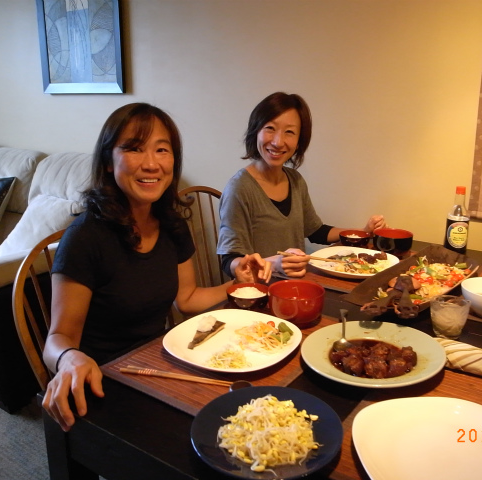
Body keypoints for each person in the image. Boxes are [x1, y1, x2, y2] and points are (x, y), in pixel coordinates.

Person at [42, 103, 271, 432]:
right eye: (134, 148)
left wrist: (239, 283)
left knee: (248, 413)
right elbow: (58, 338)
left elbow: (187, 299)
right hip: (101, 381)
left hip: (155, 362)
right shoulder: (85, 237)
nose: (151, 164)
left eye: (162, 150)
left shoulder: (171, 223)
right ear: (108, 161)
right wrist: (69, 358)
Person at [217, 92, 386, 278]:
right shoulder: (239, 188)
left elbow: (316, 231)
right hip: (261, 290)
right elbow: (229, 260)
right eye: (270, 128)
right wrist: (272, 264)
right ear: (255, 131)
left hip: (297, 284)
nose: (278, 142)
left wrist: (362, 232)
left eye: (289, 132)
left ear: (299, 141)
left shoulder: (295, 180)